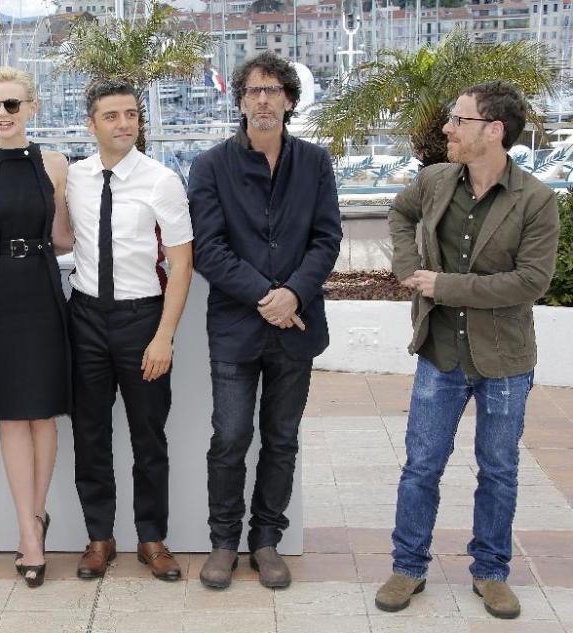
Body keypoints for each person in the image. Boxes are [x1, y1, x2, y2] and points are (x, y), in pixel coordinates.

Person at [375, 81, 559, 619]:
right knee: (421, 467)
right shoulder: (434, 180)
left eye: (459, 120)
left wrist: (444, 285)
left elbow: (531, 282)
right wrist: (409, 268)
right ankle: (408, 567)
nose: (448, 129)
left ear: (494, 130)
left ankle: (491, 572)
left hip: (503, 360)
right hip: (439, 352)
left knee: (498, 470)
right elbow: (399, 213)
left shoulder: (536, 200)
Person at [187, 51, 342, 590]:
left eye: (274, 90)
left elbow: (327, 239)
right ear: (240, 99)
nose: (263, 99)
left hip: (296, 330)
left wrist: (293, 295)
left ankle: (266, 540)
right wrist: (265, 296)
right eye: (254, 90)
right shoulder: (210, 166)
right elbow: (208, 248)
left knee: (282, 438)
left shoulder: (316, 163)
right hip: (235, 328)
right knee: (229, 437)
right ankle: (224, 542)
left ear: (290, 101)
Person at [67, 78, 194, 582]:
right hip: (85, 318)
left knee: (149, 436)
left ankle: (151, 538)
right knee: (90, 434)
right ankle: (99, 538)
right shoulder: (75, 177)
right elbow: (62, 234)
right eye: (112, 116)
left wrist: (163, 336)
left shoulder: (162, 180)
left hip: (142, 319)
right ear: (91, 124)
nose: (124, 124)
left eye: (131, 115)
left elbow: (181, 265)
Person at [0, 66, 73, 589]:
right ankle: (29, 532)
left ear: (32, 108)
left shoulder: (56, 163)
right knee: (10, 418)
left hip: (44, 293)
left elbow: (65, 236)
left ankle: (35, 520)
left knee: (43, 415)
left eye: (11, 105)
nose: (2, 114)